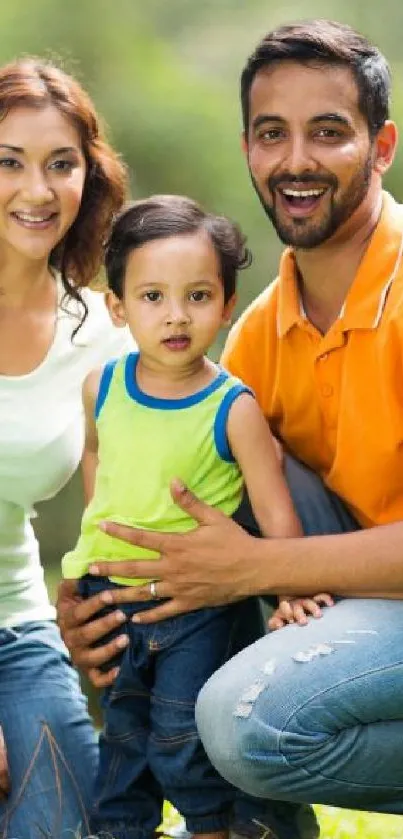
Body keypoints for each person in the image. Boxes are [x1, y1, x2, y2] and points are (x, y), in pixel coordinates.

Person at [56, 15, 403, 824]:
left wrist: (255, 568)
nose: (295, 162)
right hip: (363, 596)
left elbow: (252, 565)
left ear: (380, 147)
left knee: (242, 723)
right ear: (246, 148)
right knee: (219, 460)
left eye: (327, 133)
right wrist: (105, 595)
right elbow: (181, 512)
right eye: (269, 134)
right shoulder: (248, 340)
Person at [61, 193, 309, 839]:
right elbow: (97, 453)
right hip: (114, 594)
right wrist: (95, 539)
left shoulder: (233, 407)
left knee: (182, 736)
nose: (176, 315)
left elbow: (274, 511)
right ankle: (122, 828)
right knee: (124, 732)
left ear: (227, 303)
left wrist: (290, 591)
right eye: (151, 297)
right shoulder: (103, 386)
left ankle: (214, 828)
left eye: (198, 296)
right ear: (117, 306)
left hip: (200, 606)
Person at [0, 56, 130, 837]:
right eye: (8, 163)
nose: (37, 191)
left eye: (61, 165)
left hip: (15, 624)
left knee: (66, 824)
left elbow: (121, 513)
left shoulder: (100, 332)